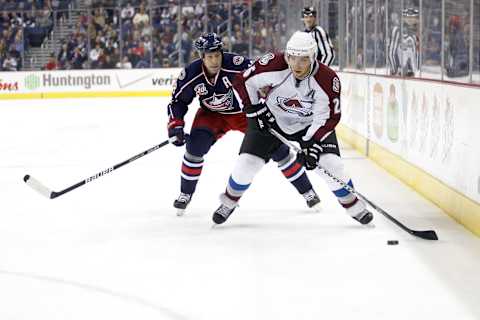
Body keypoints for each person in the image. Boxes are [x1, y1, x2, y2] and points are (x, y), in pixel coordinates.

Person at [211, 31, 374, 226]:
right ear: (286, 55)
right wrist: (255, 111)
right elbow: (243, 82)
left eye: (303, 59)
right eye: (292, 58)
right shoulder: (272, 64)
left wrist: (311, 143)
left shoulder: (327, 79)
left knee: (331, 165)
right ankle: (229, 201)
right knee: (246, 164)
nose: (296, 65)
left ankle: (353, 206)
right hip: (272, 119)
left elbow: (329, 117)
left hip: (309, 125)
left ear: (313, 57)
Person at [167, 33, 320, 215]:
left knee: (279, 151)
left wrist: (267, 96)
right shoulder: (191, 74)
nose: (215, 60)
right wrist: (175, 125)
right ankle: (185, 194)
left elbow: (262, 77)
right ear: (201, 57)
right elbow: (178, 102)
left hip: (245, 114)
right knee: (194, 149)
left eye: (217, 55)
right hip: (212, 115)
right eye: (210, 57)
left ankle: (307, 191)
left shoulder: (237, 64)